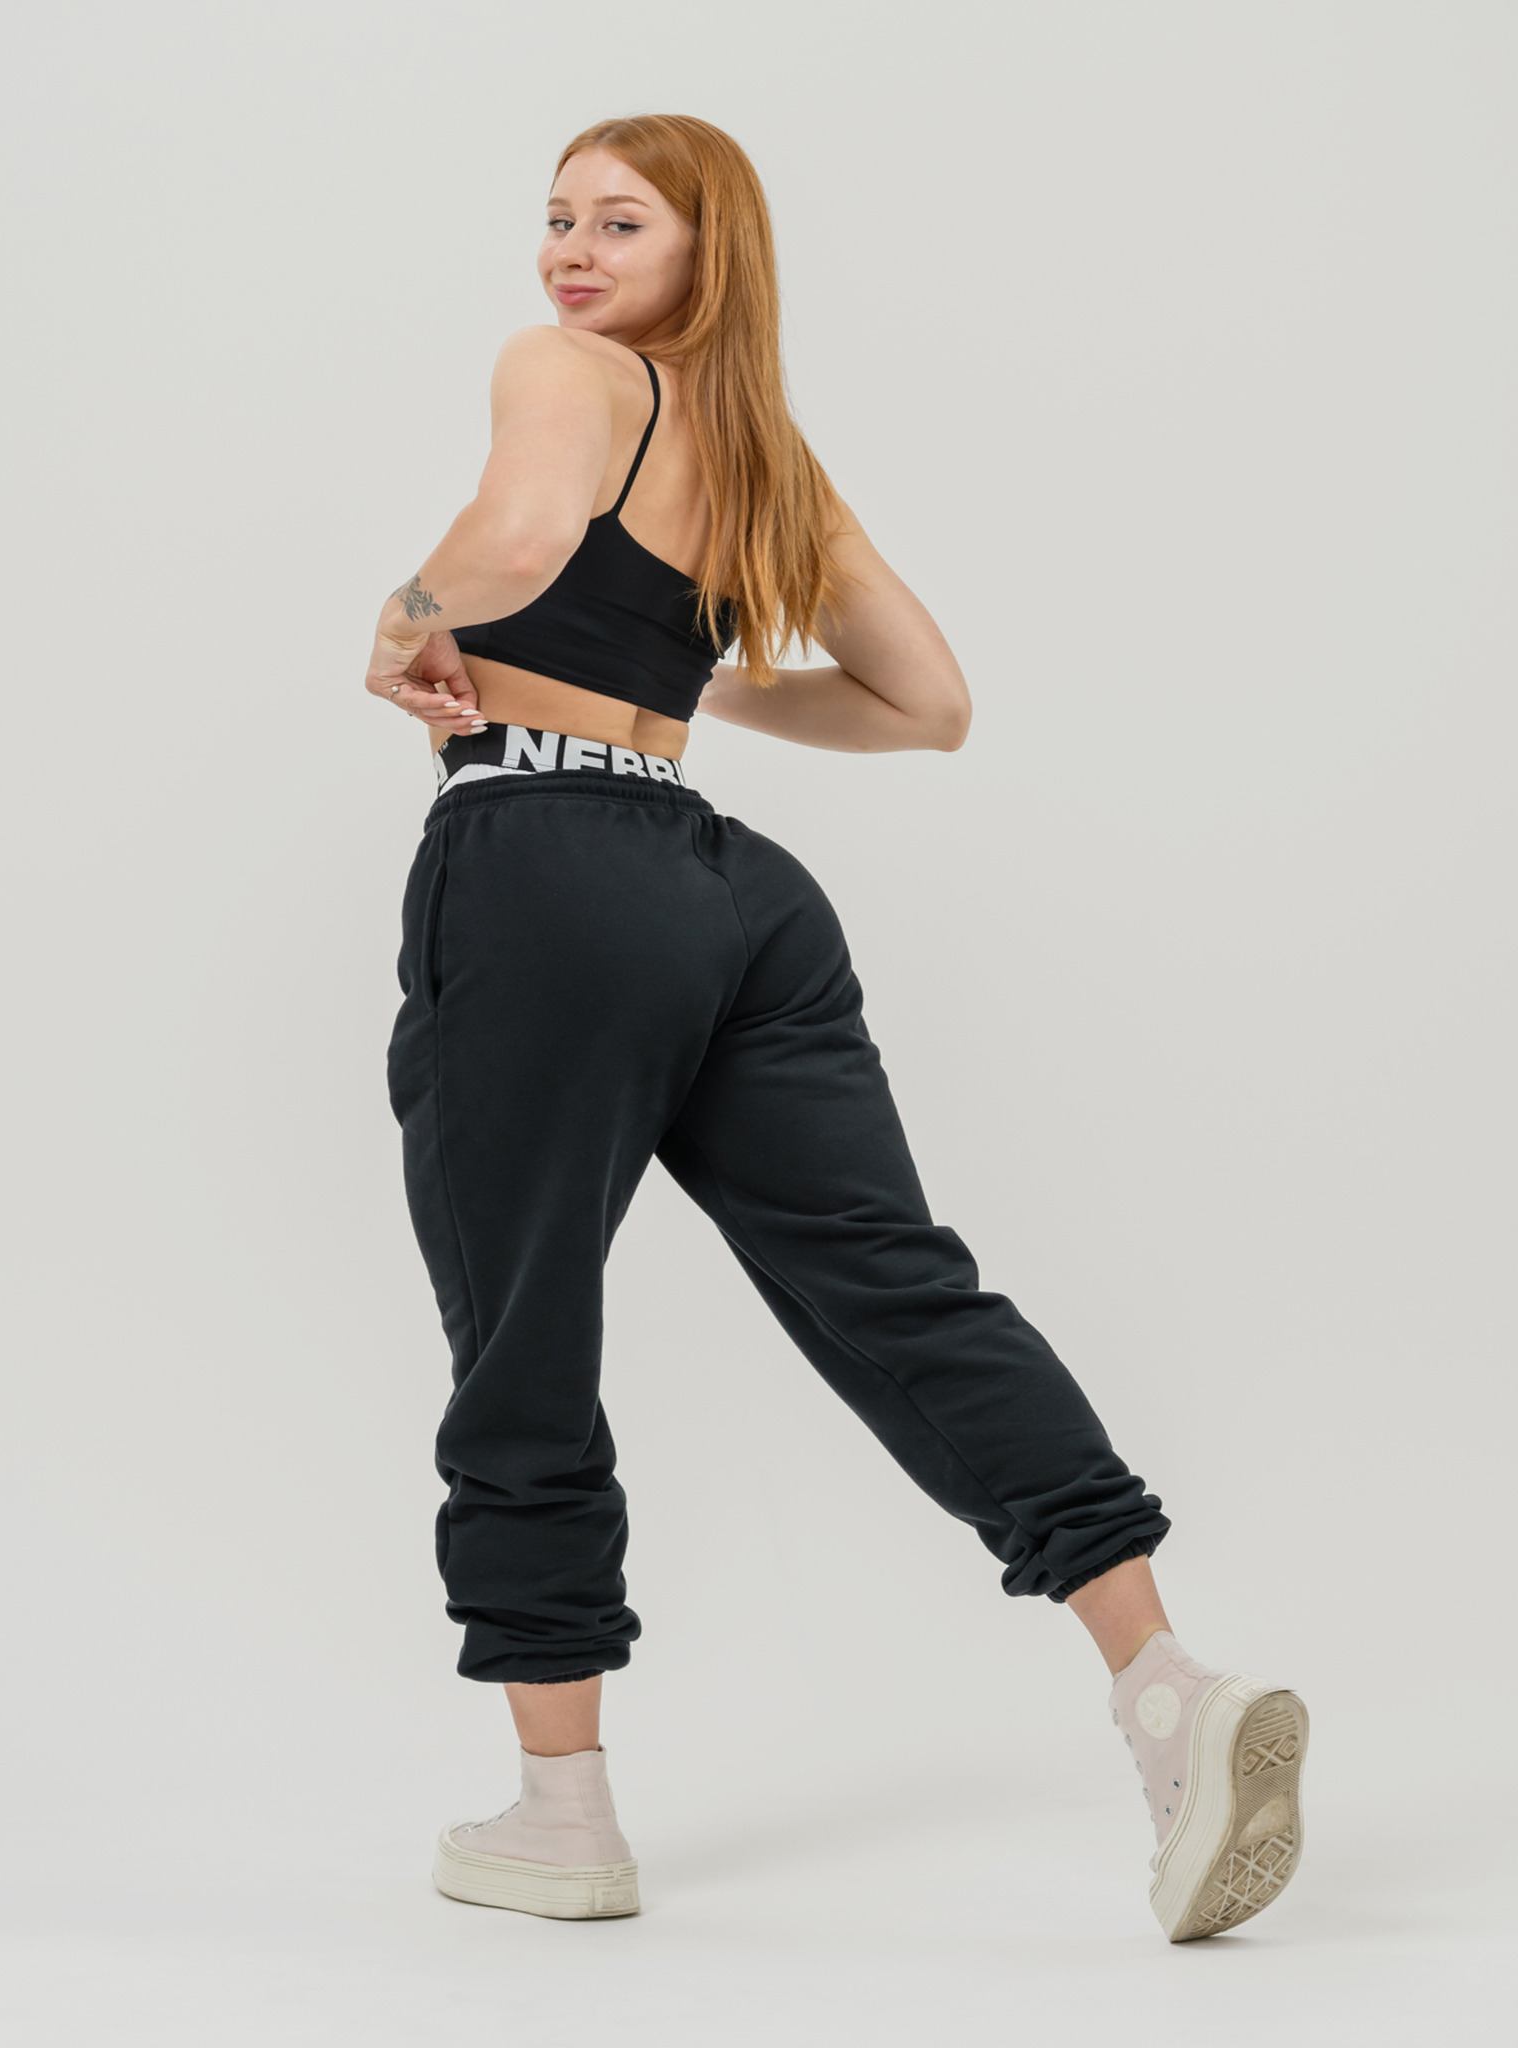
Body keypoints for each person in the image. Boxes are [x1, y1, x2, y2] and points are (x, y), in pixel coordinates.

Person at [365, 114, 1307, 1942]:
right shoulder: (762, 457)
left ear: (704, 250)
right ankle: (1165, 1690)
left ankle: (563, 1812)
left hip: (543, 863)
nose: (569, 254)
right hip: (734, 894)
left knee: (521, 1323)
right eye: (556, 218)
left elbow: (521, 531)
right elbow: (926, 702)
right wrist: (695, 679)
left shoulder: (562, 373)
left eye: (620, 222)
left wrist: (401, 616)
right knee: (900, 1288)